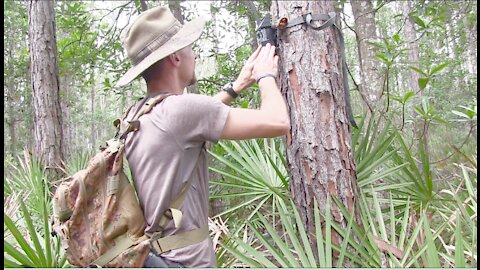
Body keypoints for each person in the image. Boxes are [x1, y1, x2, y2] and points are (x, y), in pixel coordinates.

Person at [116, 6, 289, 268]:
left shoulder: (136, 115)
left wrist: (236, 86)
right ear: (175, 57)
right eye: (189, 47)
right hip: (188, 262)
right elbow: (278, 122)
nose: (193, 54)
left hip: (158, 257)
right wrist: (266, 75)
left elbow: (185, 127)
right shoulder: (182, 111)